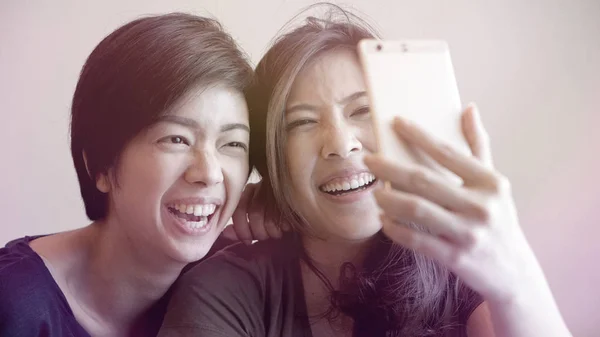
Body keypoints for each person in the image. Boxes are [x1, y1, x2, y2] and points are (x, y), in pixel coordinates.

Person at [158, 6, 572, 337]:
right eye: (302, 122)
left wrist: (516, 279)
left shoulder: (465, 270)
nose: (340, 143)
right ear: (273, 158)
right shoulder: (226, 291)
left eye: (363, 110)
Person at [0, 13, 257, 336]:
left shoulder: (235, 282)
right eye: (176, 139)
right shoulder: (14, 304)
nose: (208, 173)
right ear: (101, 165)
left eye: (232, 143)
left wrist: (293, 222)